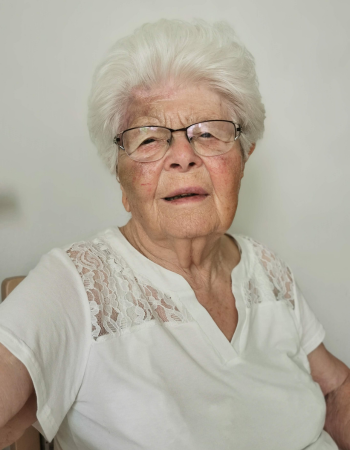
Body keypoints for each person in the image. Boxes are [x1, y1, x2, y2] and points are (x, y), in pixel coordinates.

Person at [0, 19, 349, 450]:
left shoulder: (267, 270)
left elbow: (336, 387)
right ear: (122, 179)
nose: (183, 156)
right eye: (149, 139)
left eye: (208, 133)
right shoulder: (77, 283)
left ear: (244, 157)